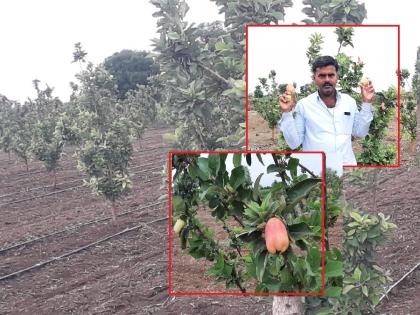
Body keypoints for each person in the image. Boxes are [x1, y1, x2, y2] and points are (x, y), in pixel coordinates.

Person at [278, 55, 375, 169]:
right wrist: (286, 113)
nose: (327, 79)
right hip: (316, 171)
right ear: (314, 78)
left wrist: (367, 103)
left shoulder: (349, 102)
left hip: (347, 167)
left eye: (331, 75)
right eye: (322, 76)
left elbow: (360, 132)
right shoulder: (304, 105)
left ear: (337, 77)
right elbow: (294, 143)